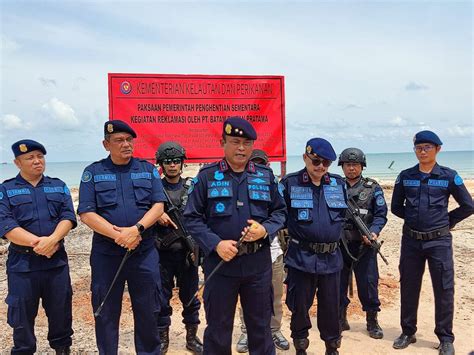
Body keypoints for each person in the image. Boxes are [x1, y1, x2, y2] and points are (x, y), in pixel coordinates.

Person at [183, 117, 287, 355]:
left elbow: (280, 212)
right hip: (220, 265)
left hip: (258, 267)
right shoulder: (207, 177)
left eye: (247, 143)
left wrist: (265, 230)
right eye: (235, 142)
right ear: (223, 142)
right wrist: (215, 243)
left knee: (261, 329)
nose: (241, 148)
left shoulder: (265, 176)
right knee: (218, 330)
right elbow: (191, 217)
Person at [78, 120, 166, 354]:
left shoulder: (147, 170)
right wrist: (119, 235)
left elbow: (158, 206)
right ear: (106, 144)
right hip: (107, 254)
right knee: (106, 311)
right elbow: (86, 213)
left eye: (129, 140)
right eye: (119, 140)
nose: (126, 144)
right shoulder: (93, 172)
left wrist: (136, 230)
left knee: (148, 310)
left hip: (143, 252)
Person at [391, 131, 473, 355]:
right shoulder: (405, 175)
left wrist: (448, 221)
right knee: (409, 286)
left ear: (438, 149)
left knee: (444, 289)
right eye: (419, 147)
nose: (423, 151)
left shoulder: (449, 176)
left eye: (427, 147)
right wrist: (414, 219)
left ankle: (445, 337)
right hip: (411, 241)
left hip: (439, 242)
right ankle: (408, 331)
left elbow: (468, 205)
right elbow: (396, 207)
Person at [0, 139, 77, 354]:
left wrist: (53, 240)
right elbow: (5, 224)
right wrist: (39, 243)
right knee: (22, 316)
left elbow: (68, 216)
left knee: (61, 312)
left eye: (40, 157)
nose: (37, 161)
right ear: (17, 162)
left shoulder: (58, 185)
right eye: (30, 158)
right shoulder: (6, 189)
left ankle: (62, 349)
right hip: (22, 265)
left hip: (56, 263)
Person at [280, 138, 346, 355]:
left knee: (332, 308)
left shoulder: (338, 183)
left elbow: (345, 218)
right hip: (301, 258)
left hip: (331, 260)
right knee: (299, 306)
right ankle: (300, 346)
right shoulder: (289, 184)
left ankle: (332, 347)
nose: (320, 167)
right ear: (305, 157)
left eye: (326, 163)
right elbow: (277, 215)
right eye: (316, 161)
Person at [236, 149, 289, 353]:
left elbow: (281, 213)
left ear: (267, 166)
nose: (258, 167)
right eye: (254, 163)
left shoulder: (272, 186)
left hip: (273, 251)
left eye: (262, 164)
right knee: (247, 296)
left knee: (275, 295)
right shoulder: (240, 187)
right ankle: (246, 331)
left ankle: (274, 330)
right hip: (248, 252)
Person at [154, 141, 203, 354]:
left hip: (187, 253)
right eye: (167, 162)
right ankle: (162, 339)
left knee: (190, 298)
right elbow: (142, 213)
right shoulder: (154, 190)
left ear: (182, 163)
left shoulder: (191, 188)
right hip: (161, 254)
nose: (172, 165)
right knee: (161, 298)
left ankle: (192, 339)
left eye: (176, 161)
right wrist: (157, 214)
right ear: (161, 165)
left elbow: (202, 216)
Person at [337, 148, 387, 339]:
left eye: (355, 165)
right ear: (342, 166)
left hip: (364, 246)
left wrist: (373, 233)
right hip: (339, 245)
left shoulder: (372, 187)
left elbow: (381, 214)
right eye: (348, 165)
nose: (351, 168)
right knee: (338, 284)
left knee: (368, 283)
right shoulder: (334, 186)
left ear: (361, 166)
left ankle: (372, 321)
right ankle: (341, 318)